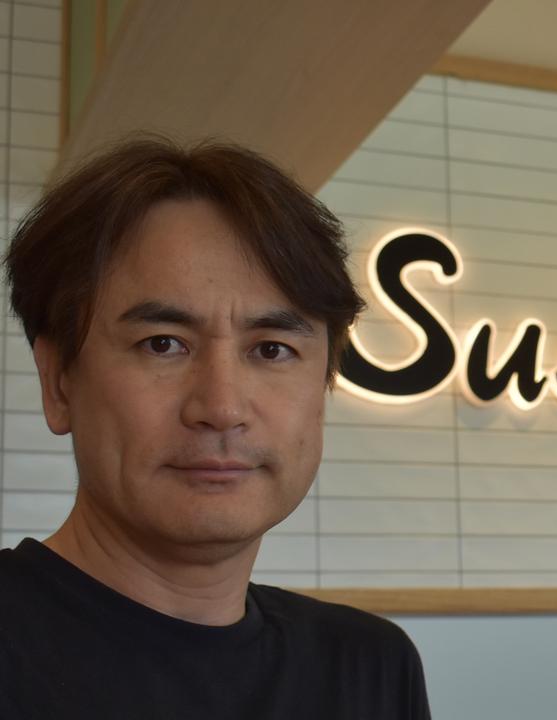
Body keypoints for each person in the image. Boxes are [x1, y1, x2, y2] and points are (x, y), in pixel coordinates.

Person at [0, 137, 431, 719]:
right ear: (58, 382)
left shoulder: (370, 666)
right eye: (163, 344)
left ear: (325, 387)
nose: (222, 407)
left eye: (272, 349)